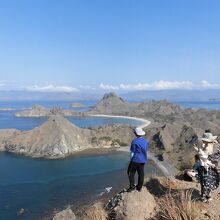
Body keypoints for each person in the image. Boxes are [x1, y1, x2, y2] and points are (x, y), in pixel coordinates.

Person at [127, 127, 148, 192]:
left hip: (135, 160)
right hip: (143, 160)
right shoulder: (145, 141)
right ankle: (139, 188)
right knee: (141, 174)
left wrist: (131, 160)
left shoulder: (134, 141)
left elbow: (132, 152)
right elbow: (145, 150)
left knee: (131, 173)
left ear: (135, 133)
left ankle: (132, 187)